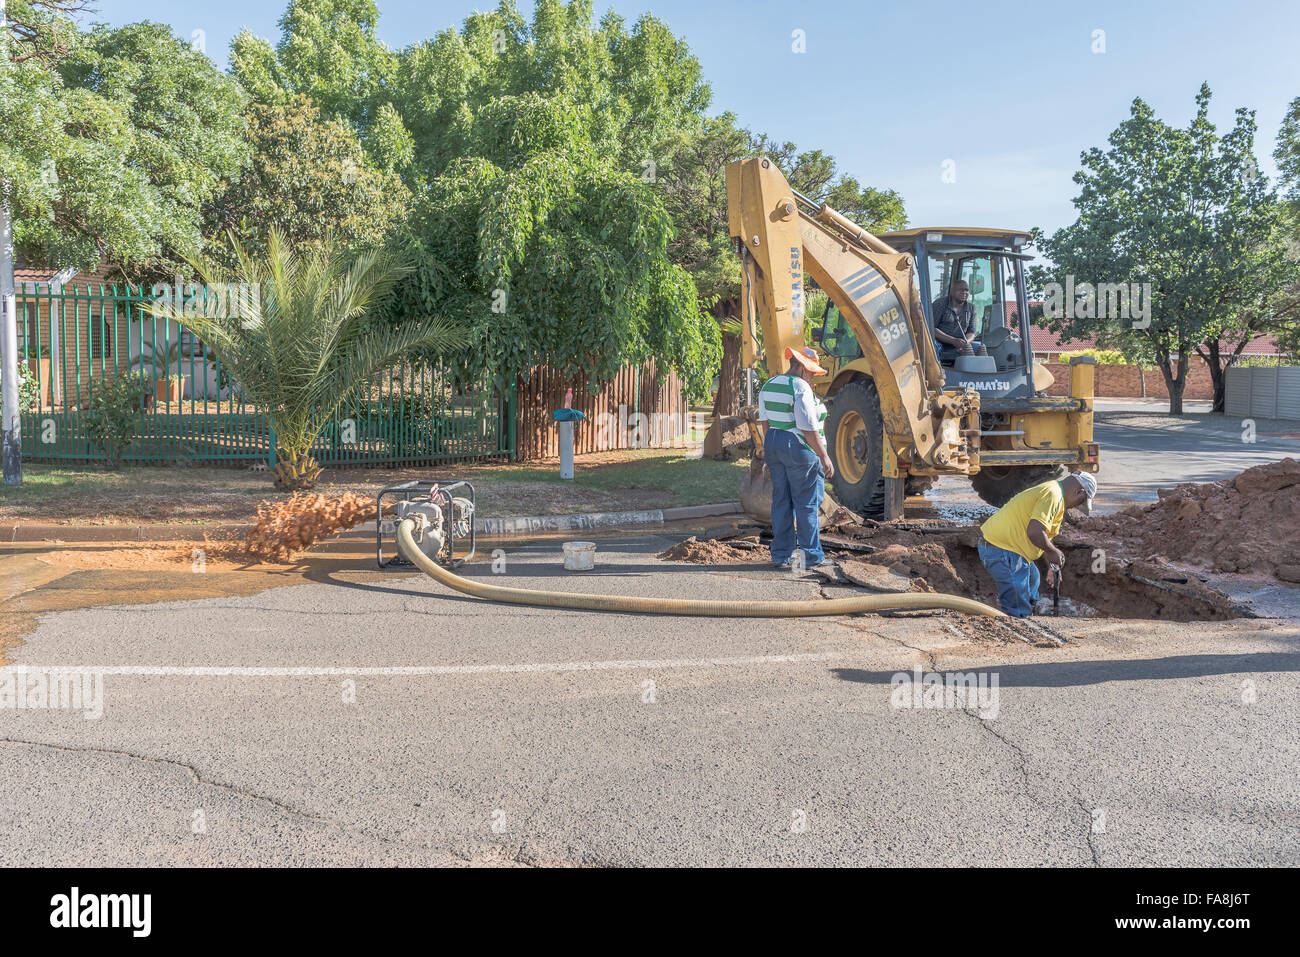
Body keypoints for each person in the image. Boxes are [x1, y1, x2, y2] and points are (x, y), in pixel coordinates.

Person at [757, 346, 835, 571]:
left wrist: (772, 447)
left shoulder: (768, 384)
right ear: (800, 367)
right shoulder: (800, 387)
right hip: (798, 447)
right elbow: (807, 427)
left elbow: (765, 421)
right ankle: (811, 556)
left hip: (773, 441)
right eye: (810, 371)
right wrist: (824, 456)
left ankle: (781, 555)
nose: (812, 376)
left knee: (781, 500)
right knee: (807, 503)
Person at [977, 472, 1097, 617]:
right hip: (1002, 550)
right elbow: (1035, 532)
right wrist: (1053, 551)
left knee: (1033, 579)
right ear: (1079, 492)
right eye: (1080, 502)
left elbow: (1044, 535)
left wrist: (1051, 566)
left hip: (1011, 549)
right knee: (1016, 600)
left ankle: (1027, 614)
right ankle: (1017, 620)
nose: (1076, 507)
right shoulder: (1052, 495)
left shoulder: (1055, 495)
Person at [931, 279, 988, 364]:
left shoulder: (971, 308)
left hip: (960, 344)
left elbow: (971, 332)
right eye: (960, 290)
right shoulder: (940, 304)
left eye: (966, 290)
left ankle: (977, 376)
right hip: (940, 343)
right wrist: (953, 340)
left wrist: (965, 343)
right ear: (952, 291)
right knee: (932, 346)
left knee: (979, 347)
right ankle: (937, 374)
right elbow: (931, 328)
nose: (964, 292)